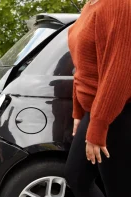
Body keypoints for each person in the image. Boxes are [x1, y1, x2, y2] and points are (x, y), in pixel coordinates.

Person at [65, 0, 131, 196]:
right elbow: (82, 64)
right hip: (94, 111)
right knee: (76, 177)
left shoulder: (120, 5)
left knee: (119, 189)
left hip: (117, 114)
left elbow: (119, 72)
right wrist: (78, 110)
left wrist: (98, 126)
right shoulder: (91, 5)